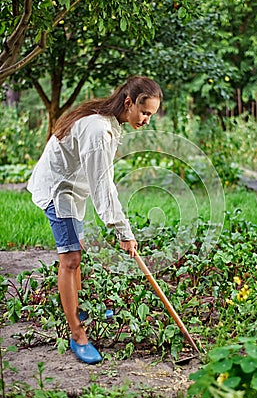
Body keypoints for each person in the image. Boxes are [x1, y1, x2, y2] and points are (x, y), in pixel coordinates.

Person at [27, 76, 162, 364]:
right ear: (129, 102)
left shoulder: (107, 122)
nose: (147, 119)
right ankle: (77, 334)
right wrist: (123, 232)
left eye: (151, 114)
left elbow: (101, 182)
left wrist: (120, 229)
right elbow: (104, 186)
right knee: (70, 259)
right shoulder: (99, 130)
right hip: (58, 190)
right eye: (145, 112)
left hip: (72, 189)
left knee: (77, 252)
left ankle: (79, 309)